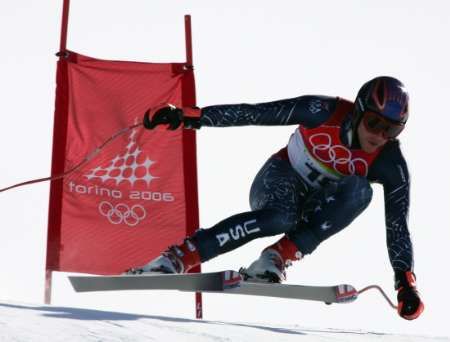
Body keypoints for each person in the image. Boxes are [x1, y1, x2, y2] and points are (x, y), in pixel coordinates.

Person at [129, 76, 424, 320]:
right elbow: (254, 113)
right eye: (374, 123)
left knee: (361, 191)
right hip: (278, 179)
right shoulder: (322, 111)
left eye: (391, 130)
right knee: (281, 215)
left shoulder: (391, 164)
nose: (379, 135)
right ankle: (180, 256)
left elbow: (397, 227)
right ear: (359, 111)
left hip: (315, 203)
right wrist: (190, 116)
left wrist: (405, 284)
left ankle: (275, 258)